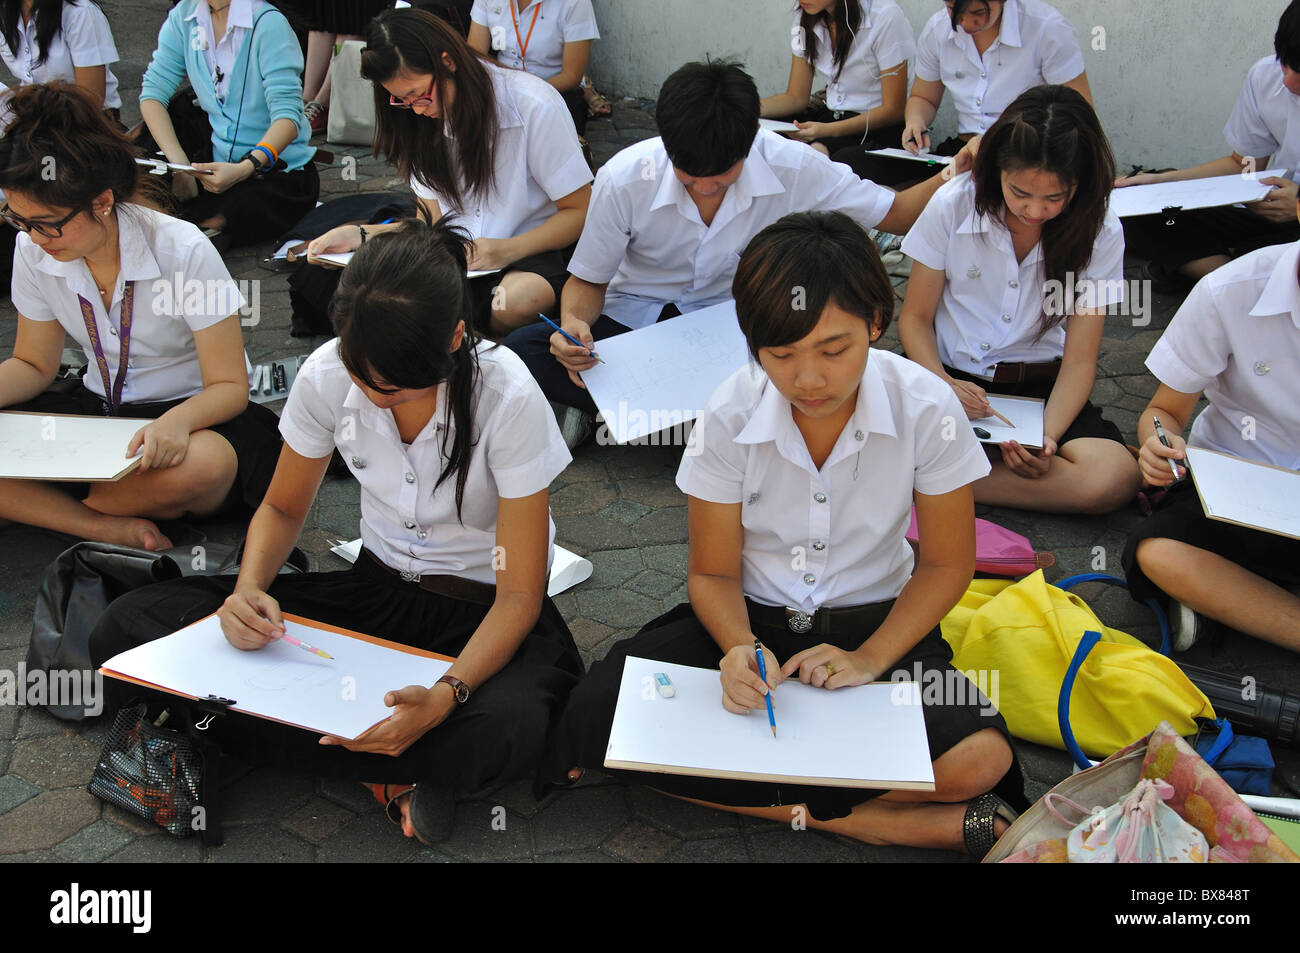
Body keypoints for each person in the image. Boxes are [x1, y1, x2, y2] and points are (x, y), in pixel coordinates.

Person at [86, 218, 585, 844]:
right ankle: (388, 768)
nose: (376, 399)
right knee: (129, 626)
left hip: (480, 617)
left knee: (515, 722)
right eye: (362, 376)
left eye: (397, 387)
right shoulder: (327, 372)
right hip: (373, 596)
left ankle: (250, 731)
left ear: (457, 336)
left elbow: (518, 597)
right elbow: (282, 509)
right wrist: (248, 592)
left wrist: (447, 693)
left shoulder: (506, 393)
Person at [549, 210, 1024, 856]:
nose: (809, 379)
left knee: (982, 758)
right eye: (782, 354)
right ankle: (862, 817)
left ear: (876, 324)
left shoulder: (928, 407)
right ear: (752, 343)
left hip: (877, 628)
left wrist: (869, 659)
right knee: (598, 715)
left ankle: (798, 797)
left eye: (835, 349)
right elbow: (713, 574)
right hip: (753, 622)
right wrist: (740, 648)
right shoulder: (730, 410)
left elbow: (945, 566)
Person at [503, 59, 967, 443]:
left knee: (807, 367)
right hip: (636, 322)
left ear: (750, 143)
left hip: (738, 332)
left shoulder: (793, 165)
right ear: (666, 145)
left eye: (722, 179)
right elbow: (588, 280)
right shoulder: (625, 178)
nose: (705, 190)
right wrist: (575, 328)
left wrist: (960, 169)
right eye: (689, 179)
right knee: (524, 350)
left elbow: (899, 212)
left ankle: (636, 420)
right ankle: (692, 424)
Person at [0, 82, 281, 550]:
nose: (34, 237)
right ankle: (98, 522)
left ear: (102, 202)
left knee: (202, 466)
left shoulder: (182, 248)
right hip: (98, 414)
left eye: (48, 224)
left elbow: (230, 387)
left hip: (192, 416)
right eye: (18, 219)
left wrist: (176, 423)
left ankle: (41, 504)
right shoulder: (33, 247)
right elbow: (32, 364)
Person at [897, 85, 1139, 515]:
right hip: (949, 377)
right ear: (997, 172)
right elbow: (915, 319)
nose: (1035, 210)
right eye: (1020, 193)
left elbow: (1081, 359)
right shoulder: (954, 204)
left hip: (1040, 390)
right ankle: (935, 471)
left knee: (1113, 476)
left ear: (1079, 185)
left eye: (1054, 197)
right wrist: (945, 385)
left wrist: (1045, 439)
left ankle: (925, 477)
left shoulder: (1102, 230)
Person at [305, 8, 592, 338]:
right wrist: (363, 235)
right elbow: (429, 221)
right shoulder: (413, 117)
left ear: (448, 62)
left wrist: (506, 249)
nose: (416, 109)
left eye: (419, 95)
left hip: (529, 250)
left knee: (517, 300)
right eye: (401, 100)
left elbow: (580, 211)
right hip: (456, 253)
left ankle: (461, 334)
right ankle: (450, 329)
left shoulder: (533, 104)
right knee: (349, 285)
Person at [1122, 215, 1300, 655]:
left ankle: (1227, 603)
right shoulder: (1232, 290)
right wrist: (1160, 446)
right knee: (1158, 550)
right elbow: (1163, 413)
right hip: (1240, 488)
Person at [1116, 0, 1300, 289]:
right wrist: (1164, 180)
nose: (1288, 81)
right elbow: (1243, 165)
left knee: (1281, 249)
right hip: (1274, 214)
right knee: (1148, 207)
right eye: (1284, 62)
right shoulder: (1265, 77)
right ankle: (1235, 281)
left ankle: (1220, 276)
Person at [837, 0, 1091, 188]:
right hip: (959, 153)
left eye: (978, 12)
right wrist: (916, 122)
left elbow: (1078, 115)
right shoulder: (938, 30)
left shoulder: (1046, 28)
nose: (967, 23)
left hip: (1022, 152)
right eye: (954, 10)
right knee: (851, 162)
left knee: (971, 192)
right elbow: (922, 98)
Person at [138, 0, 320, 246]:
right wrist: (180, 166)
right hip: (214, 164)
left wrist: (245, 168)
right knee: (141, 181)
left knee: (239, 208)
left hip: (276, 172)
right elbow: (152, 94)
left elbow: (287, 118)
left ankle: (198, 235)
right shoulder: (185, 15)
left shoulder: (268, 23)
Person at [759, 0, 914, 157]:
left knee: (819, 155)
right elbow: (795, 97)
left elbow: (894, 110)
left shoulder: (885, 16)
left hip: (876, 129)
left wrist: (827, 131)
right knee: (765, 138)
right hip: (831, 119)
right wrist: (745, 108)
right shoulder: (803, 15)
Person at [467, 0, 599, 137]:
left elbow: (572, 76)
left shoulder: (574, 3)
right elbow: (475, 58)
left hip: (553, 93)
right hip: (502, 89)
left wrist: (523, 95)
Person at [0, 0, 121, 119]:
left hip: (83, 124)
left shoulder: (81, 12)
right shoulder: (6, 9)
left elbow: (91, 102)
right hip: (32, 114)